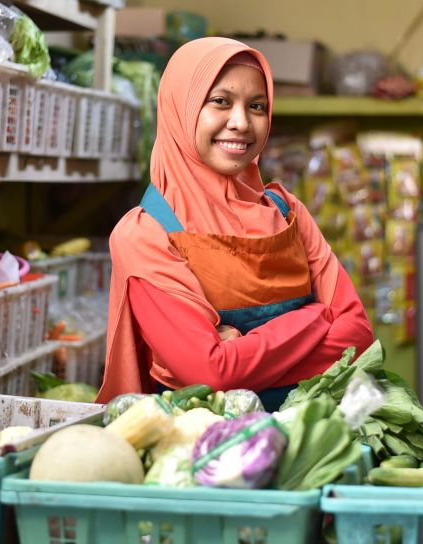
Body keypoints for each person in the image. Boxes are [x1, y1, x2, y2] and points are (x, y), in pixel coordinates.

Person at [97, 37, 373, 410]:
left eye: (257, 106)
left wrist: (243, 348)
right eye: (221, 102)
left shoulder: (288, 212)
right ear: (181, 107)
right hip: (206, 451)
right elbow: (211, 374)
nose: (241, 123)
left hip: (312, 439)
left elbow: (358, 337)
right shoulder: (147, 234)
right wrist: (318, 317)